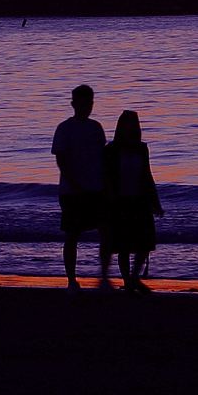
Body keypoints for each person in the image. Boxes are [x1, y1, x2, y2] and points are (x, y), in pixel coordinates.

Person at [52, 84, 109, 293]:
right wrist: (75, 184)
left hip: (96, 189)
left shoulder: (96, 127)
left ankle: (103, 277)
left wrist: (106, 185)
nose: (87, 106)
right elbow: (61, 160)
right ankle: (71, 280)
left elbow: (103, 158)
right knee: (72, 234)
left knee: (105, 231)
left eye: (90, 102)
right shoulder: (65, 128)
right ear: (74, 104)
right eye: (84, 102)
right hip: (71, 192)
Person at [104, 110, 163, 294]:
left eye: (134, 123)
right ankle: (128, 280)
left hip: (140, 199)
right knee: (123, 245)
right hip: (119, 201)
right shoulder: (111, 150)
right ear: (121, 126)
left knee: (144, 243)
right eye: (128, 123)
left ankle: (135, 277)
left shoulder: (141, 148)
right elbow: (106, 177)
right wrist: (109, 198)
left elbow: (147, 174)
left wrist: (155, 201)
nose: (131, 127)